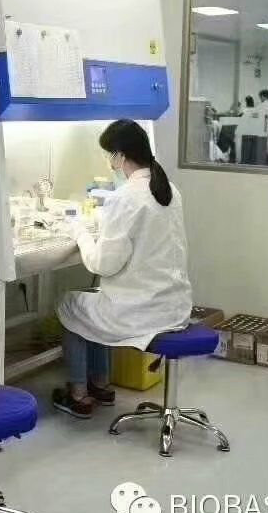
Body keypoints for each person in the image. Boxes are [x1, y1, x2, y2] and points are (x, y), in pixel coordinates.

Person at [52, 120, 192, 419]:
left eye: (108, 154)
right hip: (173, 307)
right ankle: (101, 384)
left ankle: (79, 394)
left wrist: (79, 231)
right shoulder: (169, 190)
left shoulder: (125, 197)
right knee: (92, 301)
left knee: (68, 303)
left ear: (119, 155)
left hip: (139, 313)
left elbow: (102, 264)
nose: (108, 160)